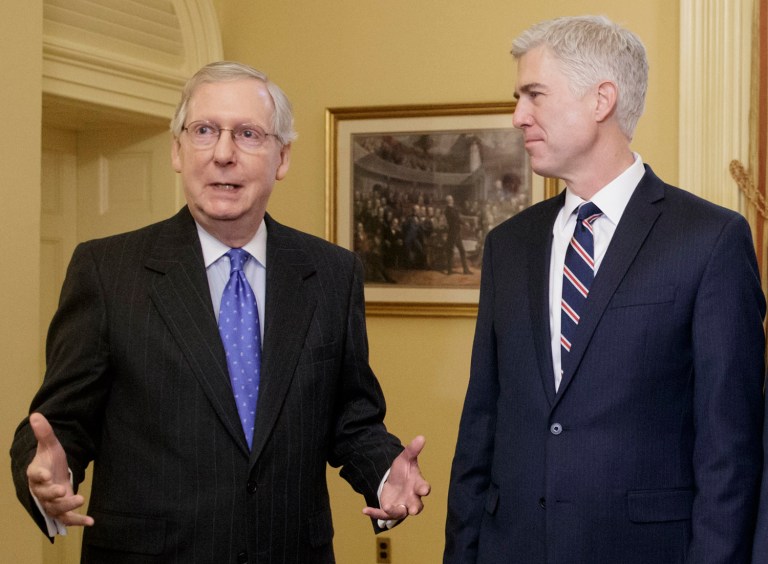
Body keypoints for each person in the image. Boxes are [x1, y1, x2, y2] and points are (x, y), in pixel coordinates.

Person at [10, 61, 430, 564]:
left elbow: (352, 416)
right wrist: (47, 477)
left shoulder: (331, 273)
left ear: (282, 157)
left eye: (249, 134)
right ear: (177, 149)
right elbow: (61, 425)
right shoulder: (107, 270)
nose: (223, 154)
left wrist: (385, 473)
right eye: (204, 131)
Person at [444, 15, 765, 564]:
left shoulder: (710, 240)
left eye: (534, 94)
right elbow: (482, 425)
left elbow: (730, 450)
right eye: (518, 97)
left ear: (601, 100)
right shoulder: (508, 245)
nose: (518, 116)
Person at [443, 195, 471, 275]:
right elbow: (456, 218)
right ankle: (449, 271)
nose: (452, 200)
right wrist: (464, 223)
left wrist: (463, 222)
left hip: (456, 232)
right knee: (450, 251)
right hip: (453, 232)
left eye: (452, 199)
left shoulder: (451, 209)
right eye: (451, 199)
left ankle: (465, 270)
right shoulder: (448, 210)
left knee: (461, 250)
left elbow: (457, 217)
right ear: (449, 201)